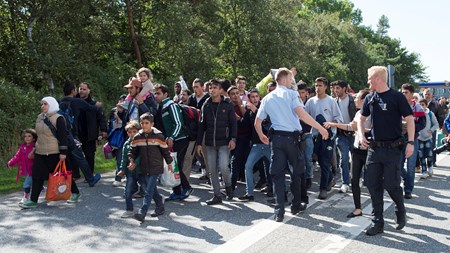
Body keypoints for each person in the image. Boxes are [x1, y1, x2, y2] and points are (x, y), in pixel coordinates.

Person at [255, 68, 329, 222]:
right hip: (292, 139)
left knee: (277, 175)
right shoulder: (291, 94)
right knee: (296, 172)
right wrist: (321, 128)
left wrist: (261, 135)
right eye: (290, 79)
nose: (292, 81)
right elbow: (302, 114)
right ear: (286, 79)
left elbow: (258, 122)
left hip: (276, 140)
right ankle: (295, 205)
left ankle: (279, 210)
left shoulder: (268, 98)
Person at [358, 66, 414, 236]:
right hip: (374, 149)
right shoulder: (369, 97)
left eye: (370, 78)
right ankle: (378, 223)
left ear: (378, 78)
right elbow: (361, 119)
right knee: (373, 185)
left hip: (393, 149)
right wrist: (361, 135)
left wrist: (410, 142)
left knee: (391, 185)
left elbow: (410, 120)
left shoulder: (397, 97)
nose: (368, 81)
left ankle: (400, 208)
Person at [20, 97, 81, 208]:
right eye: (42, 104)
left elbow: (63, 136)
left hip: (55, 152)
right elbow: (38, 136)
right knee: (37, 176)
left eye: (45, 104)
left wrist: (63, 152)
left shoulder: (58, 118)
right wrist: (34, 150)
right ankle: (33, 200)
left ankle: (75, 193)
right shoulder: (39, 117)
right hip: (40, 152)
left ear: (52, 105)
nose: (42, 106)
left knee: (63, 174)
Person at [324, 89, 371, 218]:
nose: (355, 99)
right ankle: (357, 208)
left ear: (365, 100)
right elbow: (351, 127)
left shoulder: (373, 113)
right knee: (354, 179)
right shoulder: (357, 113)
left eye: (357, 98)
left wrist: (362, 129)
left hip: (370, 151)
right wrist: (334, 124)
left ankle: (377, 208)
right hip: (357, 150)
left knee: (372, 181)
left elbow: (375, 130)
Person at [196, 78, 237, 205]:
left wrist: (233, 138)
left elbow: (233, 123)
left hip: (224, 141)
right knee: (212, 169)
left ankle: (228, 186)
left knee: (224, 166)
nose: (212, 90)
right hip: (209, 142)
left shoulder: (227, 104)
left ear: (220, 90)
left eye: (215, 88)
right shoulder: (206, 105)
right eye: (210, 88)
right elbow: (202, 125)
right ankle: (217, 195)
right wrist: (198, 143)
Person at [129, 113, 173, 222]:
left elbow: (165, 151)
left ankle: (142, 212)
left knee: (148, 190)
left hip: (156, 167)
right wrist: (131, 161)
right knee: (151, 189)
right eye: (142, 123)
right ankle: (160, 205)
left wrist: (169, 163)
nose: (144, 125)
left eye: (146, 123)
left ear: (152, 124)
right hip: (144, 167)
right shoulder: (137, 137)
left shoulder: (159, 136)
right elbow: (132, 151)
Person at [305, 77, 343, 200]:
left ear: (325, 87)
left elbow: (338, 118)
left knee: (325, 162)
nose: (317, 88)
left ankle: (323, 189)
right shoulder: (311, 102)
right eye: (316, 85)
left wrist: (330, 124)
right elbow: (304, 116)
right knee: (318, 160)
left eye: (320, 85)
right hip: (315, 136)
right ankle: (331, 178)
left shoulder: (331, 101)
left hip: (328, 136)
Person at [154, 84, 193, 200]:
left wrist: (171, 137)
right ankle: (176, 191)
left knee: (176, 165)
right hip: (171, 140)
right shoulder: (161, 106)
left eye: (158, 93)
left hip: (181, 139)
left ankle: (187, 187)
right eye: (155, 93)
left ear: (165, 94)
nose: (156, 96)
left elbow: (179, 123)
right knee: (172, 164)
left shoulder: (171, 105)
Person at [60, 82, 101, 186]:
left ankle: (70, 177)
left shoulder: (60, 103)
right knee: (80, 158)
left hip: (62, 134)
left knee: (68, 157)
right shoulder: (76, 102)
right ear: (73, 91)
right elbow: (92, 108)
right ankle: (90, 179)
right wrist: (97, 105)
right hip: (73, 134)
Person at [238, 88, 272, 201]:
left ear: (259, 97)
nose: (254, 99)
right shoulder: (249, 111)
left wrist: (255, 110)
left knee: (275, 167)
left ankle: (279, 191)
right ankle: (250, 193)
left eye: (256, 96)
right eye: (252, 97)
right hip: (256, 145)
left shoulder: (265, 107)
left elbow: (267, 122)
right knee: (248, 166)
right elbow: (243, 125)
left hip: (267, 144)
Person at [400, 83, 426, 199]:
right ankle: (406, 178)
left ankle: (408, 189)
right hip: (399, 140)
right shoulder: (397, 106)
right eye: (402, 92)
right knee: (398, 165)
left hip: (413, 139)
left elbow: (422, 123)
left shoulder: (418, 108)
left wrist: (412, 128)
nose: (403, 94)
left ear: (411, 94)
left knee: (411, 166)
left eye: (405, 92)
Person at [331, 80, 357, 193]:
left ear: (344, 88)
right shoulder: (333, 102)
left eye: (338, 88)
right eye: (334, 88)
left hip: (354, 133)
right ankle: (345, 182)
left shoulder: (353, 100)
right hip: (340, 134)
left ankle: (357, 179)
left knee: (356, 159)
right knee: (344, 158)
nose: (335, 90)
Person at [77, 82, 108, 174]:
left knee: (89, 156)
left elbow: (101, 118)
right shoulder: (74, 101)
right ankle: (75, 175)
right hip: (76, 133)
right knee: (75, 156)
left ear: (89, 91)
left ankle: (89, 175)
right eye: (80, 89)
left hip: (89, 134)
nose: (82, 91)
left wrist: (103, 130)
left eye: (84, 89)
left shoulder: (95, 104)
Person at [119, 120, 147, 218]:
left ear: (138, 132)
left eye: (134, 132)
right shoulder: (126, 144)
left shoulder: (140, 143)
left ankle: (159, 201)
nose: (132, 134)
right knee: (127, 191)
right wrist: (122, 170)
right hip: (130, 172)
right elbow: (124, 158)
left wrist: (135, 163)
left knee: (147, 189)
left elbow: (141, 155)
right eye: (129, 132)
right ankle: (129, 210)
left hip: (141, 171)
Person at [228, 86, 252, 192]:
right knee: (234, 160)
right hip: (232, 136)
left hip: (244, 136)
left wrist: (239, 103)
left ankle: (232, 185)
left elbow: (246, 116)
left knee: (238, 160)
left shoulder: (244, 104)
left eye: (237, 93)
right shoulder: (227, 106)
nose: (235, 96)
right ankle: (231, 184)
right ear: (229, 96)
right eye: (232, 94)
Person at [188, 78, 210, 181]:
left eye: (197, 87)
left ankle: (210, 175)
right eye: (193, 87)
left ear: (202, 87)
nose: (195, 89)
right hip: (193, 129)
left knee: (205, 151)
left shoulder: (208, 98)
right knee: (195, 152)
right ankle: (204, 168)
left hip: (205, 129)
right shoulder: (191, 98)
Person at [7, 129, 37, 204]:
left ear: (33, 138)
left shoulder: (35, 147)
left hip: (33, 169)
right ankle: (40, 188)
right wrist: (10, 163)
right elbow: (17, 157)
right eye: (25, 136)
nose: (27, 138)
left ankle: (25, 197)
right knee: (34, 183)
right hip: (26, 169)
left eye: (29, 136)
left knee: (26, 184)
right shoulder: (22, 147)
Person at [297, 82, 314, 189]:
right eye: (299, 92)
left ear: (307, 93)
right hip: (297, 134)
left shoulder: (310, 103)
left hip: (308, 133)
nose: (300, 95)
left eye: (302, 92)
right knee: (300, 158)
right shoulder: (294, 102)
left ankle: (309, 177)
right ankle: (301, 178)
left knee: (308, 157)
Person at [417, 99, 438, 178]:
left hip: (428, 137)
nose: (421, 106)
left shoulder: (430, 114)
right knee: (421, 155)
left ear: (426, 105)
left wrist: (431, 130)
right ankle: (424, 171)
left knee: (429, 154)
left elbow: (436, 124)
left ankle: (430, 167)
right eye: (420, 105)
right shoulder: (417, 114)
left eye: (423, 104)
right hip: (419, 137)